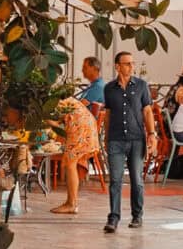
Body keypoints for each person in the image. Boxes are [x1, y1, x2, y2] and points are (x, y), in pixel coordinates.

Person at [102, 51, 155, 233]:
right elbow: (108, 114)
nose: (131, 66)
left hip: (136, 139)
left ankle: (137, 215)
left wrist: (152, 134)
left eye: (132, 63)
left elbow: (147, 112)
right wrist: (106, 137)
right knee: (115, 180)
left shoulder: (141, 86)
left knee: (136, 180)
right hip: (115, 139)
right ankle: (113, 218)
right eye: (127, 64)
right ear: (117, 66)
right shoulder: (109, 88)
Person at [51, 94, 100, 214]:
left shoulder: (53, 104)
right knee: (71, 163)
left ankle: (71, 204)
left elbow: (55, 124)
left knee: (70, 164)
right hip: (85, 126)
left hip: (80, 128)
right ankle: (71, 202)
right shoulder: (62, 101)